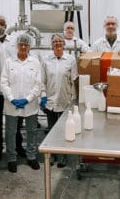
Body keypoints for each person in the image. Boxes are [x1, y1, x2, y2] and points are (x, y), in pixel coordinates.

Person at [0, 15, 26, 162]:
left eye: (2, 24)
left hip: (12, 89)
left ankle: (18, 146)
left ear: (6, 25)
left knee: (16, 120)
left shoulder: (13, 42)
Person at [0, 34, 42, 173]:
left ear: (29, 46)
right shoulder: (8, 62)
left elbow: (38, 84)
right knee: (11, 132)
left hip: (30, 104)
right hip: (11, 104)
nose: (23, 47)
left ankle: (31, 156)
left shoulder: (35, 62)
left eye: (26, 44)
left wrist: (27, 99)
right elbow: (4, 83)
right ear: (16, 45)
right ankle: (11, 158)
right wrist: (12, 99)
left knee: (32, 131)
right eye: (21, 44)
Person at [41, 34, 78, 168]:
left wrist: (73, 100)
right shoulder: (45, 60)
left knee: (63, 129)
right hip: (50, 100)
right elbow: (42, 81)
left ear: (64, 44)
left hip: (65, 100)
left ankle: (62, 156)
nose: (57, 44)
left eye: (60, 41)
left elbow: (74, 81)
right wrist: (43, 95)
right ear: (51, 45)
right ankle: (51, 154)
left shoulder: (70, 60)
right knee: (51, 129)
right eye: (55, 42)